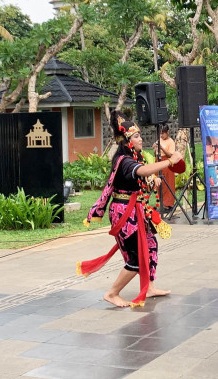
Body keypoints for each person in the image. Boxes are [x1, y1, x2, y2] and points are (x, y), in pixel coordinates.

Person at [78, 111, 183, 307]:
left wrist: (152, 181)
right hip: (124, 212)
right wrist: (169, 162)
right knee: (135, 258)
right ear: (127, 141)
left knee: (150, 246)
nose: (141, 139)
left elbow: (141, 180)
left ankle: (149, 287)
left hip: (136, 209)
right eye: (136, 136)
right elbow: (141, 171)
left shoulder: (135, 156)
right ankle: (112, 293)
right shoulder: (124, 161)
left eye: (140, 135)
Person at [153, 125, 176, 212]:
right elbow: (155, 152)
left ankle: (169, 204)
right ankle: (162, 203)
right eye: (160, 133)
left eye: (163, 133)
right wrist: (155, 148)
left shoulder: (171, 142)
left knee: (167, 183)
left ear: (168, 132)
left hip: (167, 162)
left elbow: (170, 155)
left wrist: (161, 147)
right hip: (159, 161)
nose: (161, 135)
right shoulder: (159, 139)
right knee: (159, 183)